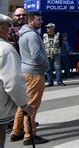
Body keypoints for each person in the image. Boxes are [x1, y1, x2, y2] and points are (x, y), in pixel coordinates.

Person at [11, 12, 49, 145]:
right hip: (34, 73)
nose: (41, 22)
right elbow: (36, 55)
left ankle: (17, 131)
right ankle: (30, 135)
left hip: (27, 71)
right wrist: (47, 64)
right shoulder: (32, 35)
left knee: (24, 104)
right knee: (32, 105)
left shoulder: (24, 34)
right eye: (39, 19)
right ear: (31, 21)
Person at [0, 14, 32, 148]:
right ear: (1, 27)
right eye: (8, 26)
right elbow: (13, 83)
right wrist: (24, 104)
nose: (9, 29)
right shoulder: (5, 49)